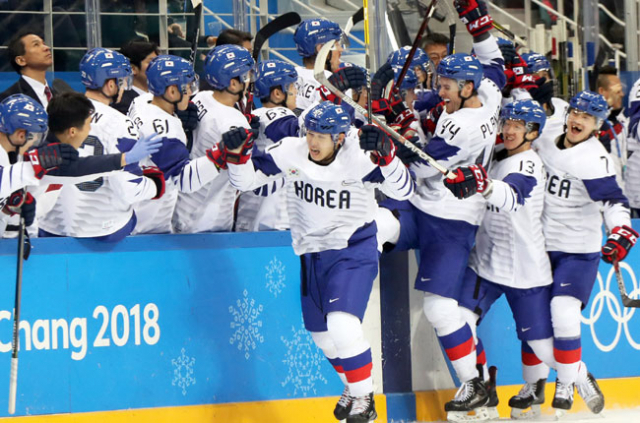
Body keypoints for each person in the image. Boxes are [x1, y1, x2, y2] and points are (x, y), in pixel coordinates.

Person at [218, 101, 414, 423]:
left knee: (342, 323)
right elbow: (245, 182)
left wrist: (389, 158)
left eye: (321, 136)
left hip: (353, 247)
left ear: (340, 137)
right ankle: (353, 386)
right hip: (310, 252)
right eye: (310, 133)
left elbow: (404, 190)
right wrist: (237, 157)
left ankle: (365, 396)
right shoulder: (291, 151)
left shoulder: (360, 156)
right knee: (322, 336)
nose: (313, 142)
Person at [377, 0, 506, 418]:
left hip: (451, 222)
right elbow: (496, 62)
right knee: (376, 224)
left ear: (466, 88)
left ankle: (475, 385)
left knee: (440, 309)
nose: (440, 88)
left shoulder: (460, 126)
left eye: (448, 85)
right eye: (441, 81)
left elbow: (419, 167)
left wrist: (390, 127)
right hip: (423, 209)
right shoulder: (487, 92)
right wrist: (476, 21)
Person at [445, 99, 550, 419]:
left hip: (525, 266)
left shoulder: (529, 163)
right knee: (457, 318)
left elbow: (512, 195)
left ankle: (535, 391)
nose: (510, 130)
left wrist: (484, 184)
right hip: (487, 263)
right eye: (507, 123)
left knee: (537, 340)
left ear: (533, 133)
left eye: (518, 126)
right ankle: (479, 387)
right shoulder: (497, 154)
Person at [535, 90, 627, 413]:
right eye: (575, 112)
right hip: (540, 246)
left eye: (586, 118)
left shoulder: (595, 158)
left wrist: (621, 230)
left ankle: (563, 381)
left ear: (597, 125)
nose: (576, 120)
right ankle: (577, 373)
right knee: (536, 327)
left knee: (563, 310)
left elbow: (612, 200)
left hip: (577, 251)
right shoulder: (547, 136)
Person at [38, 48, 165, 241]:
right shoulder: (121, 123)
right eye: (122, 81)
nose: (125, 87)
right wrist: (155, 185)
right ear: (110, 84)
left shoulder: (56, 112)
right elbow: (129, 188)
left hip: (52, 225)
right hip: (102, 228)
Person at [128, 55, 222, 234]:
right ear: (172, 92)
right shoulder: (166, 131)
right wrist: (221, 154)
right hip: (147, 225)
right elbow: (185, 180)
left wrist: (178, 116)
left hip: (134, 209)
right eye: (187, 88)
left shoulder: (140, 102)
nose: (190, 93)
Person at [172, 45, 254, 234]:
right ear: (233, 84)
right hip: (208, 218)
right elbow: (243, 182)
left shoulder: (202, 96)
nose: (249, 81)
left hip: (183, 204)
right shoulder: (234, 121)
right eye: (246, 76)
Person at [234, 59, 298, 232]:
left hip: (249, 210)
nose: (296, 91)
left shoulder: (255, 114)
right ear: (277, 93)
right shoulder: (281, 114)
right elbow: (295, 131)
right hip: (273, 217)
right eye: (292, 87)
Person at [293, 18, 343, 113]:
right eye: (336, 44)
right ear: (321, 48)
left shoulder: (292, 75)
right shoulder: (330, 81)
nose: (341, 50)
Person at [0, 29, 55, 107]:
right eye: (36, 44)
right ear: (21, 60)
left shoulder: (58, 95)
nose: (46, 48)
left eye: (44, 43)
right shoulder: (8, 100)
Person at [595, 66, 627, 187]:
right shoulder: (593, 123)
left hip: (624, 194)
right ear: (602, 91)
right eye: (617, 92)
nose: (622, 94)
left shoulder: (623, 121)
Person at [111, 40, 159, 114]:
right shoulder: (123, 103)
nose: (158, 67)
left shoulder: (163, 97)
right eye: (151, 62)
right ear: (132, 69)